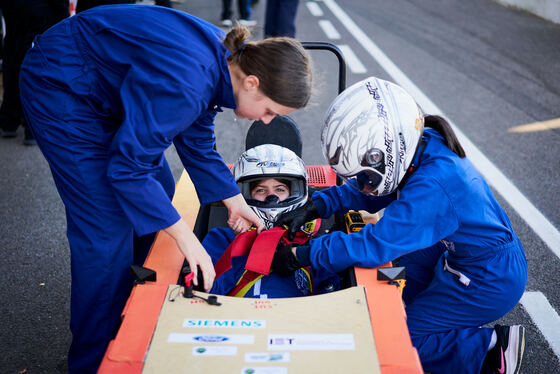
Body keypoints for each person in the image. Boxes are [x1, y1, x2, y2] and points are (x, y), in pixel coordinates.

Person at [19, 5, 312, 373]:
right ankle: (92, 361)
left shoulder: (224, 64)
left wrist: (235, 202)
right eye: (269, 110)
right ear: (252, 82)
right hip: (61, 86)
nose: (267, 120)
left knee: (158, 184)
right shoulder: (190, 79)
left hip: (101, 87)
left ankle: (127, 296)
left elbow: (197, 141)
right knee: (106, 231)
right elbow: (128, 168)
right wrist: (186, 240)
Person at [272, 77, 527, 374]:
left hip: (487, 279)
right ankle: (425, 314)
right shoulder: (421, 148)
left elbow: (374, 244)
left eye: (365, 176)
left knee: (399, 339)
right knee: (387, 282)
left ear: (389, 151)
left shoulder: (435, 184)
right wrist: (318, 205)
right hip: (457, 253)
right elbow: (379, 189)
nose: (364, 186)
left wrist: (301, 255)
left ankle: (490, 348)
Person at [203, 144, 339, 298]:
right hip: (236, 319)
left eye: (279, 189)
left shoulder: (310, 242)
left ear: (293, 193)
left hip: (297, 318)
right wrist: (242, 244)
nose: (271, 197)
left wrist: (298, 255)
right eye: (261, 190)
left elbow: (330, 294)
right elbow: (207, 290)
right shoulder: (221, 239)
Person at [0, 0, 68, 144]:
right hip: (41, 10)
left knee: (14, 55)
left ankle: (9, 120)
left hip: (14, 8)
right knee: (35, 64)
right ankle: (31, 127)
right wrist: (63, 17)